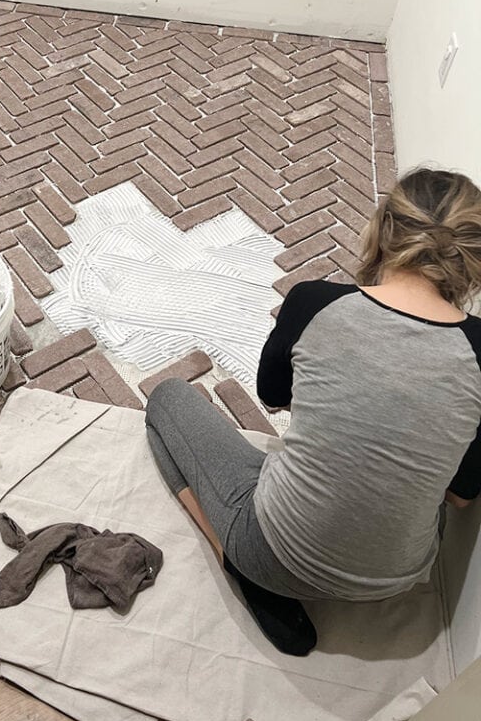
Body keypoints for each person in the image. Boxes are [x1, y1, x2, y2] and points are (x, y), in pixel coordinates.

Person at [146, 168, 481, 656]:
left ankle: (241, 569)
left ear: (383, 229)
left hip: (273, 555)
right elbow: (460, 497)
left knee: (167, 400)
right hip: (396, 580)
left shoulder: (314, 302)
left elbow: (272, 396)